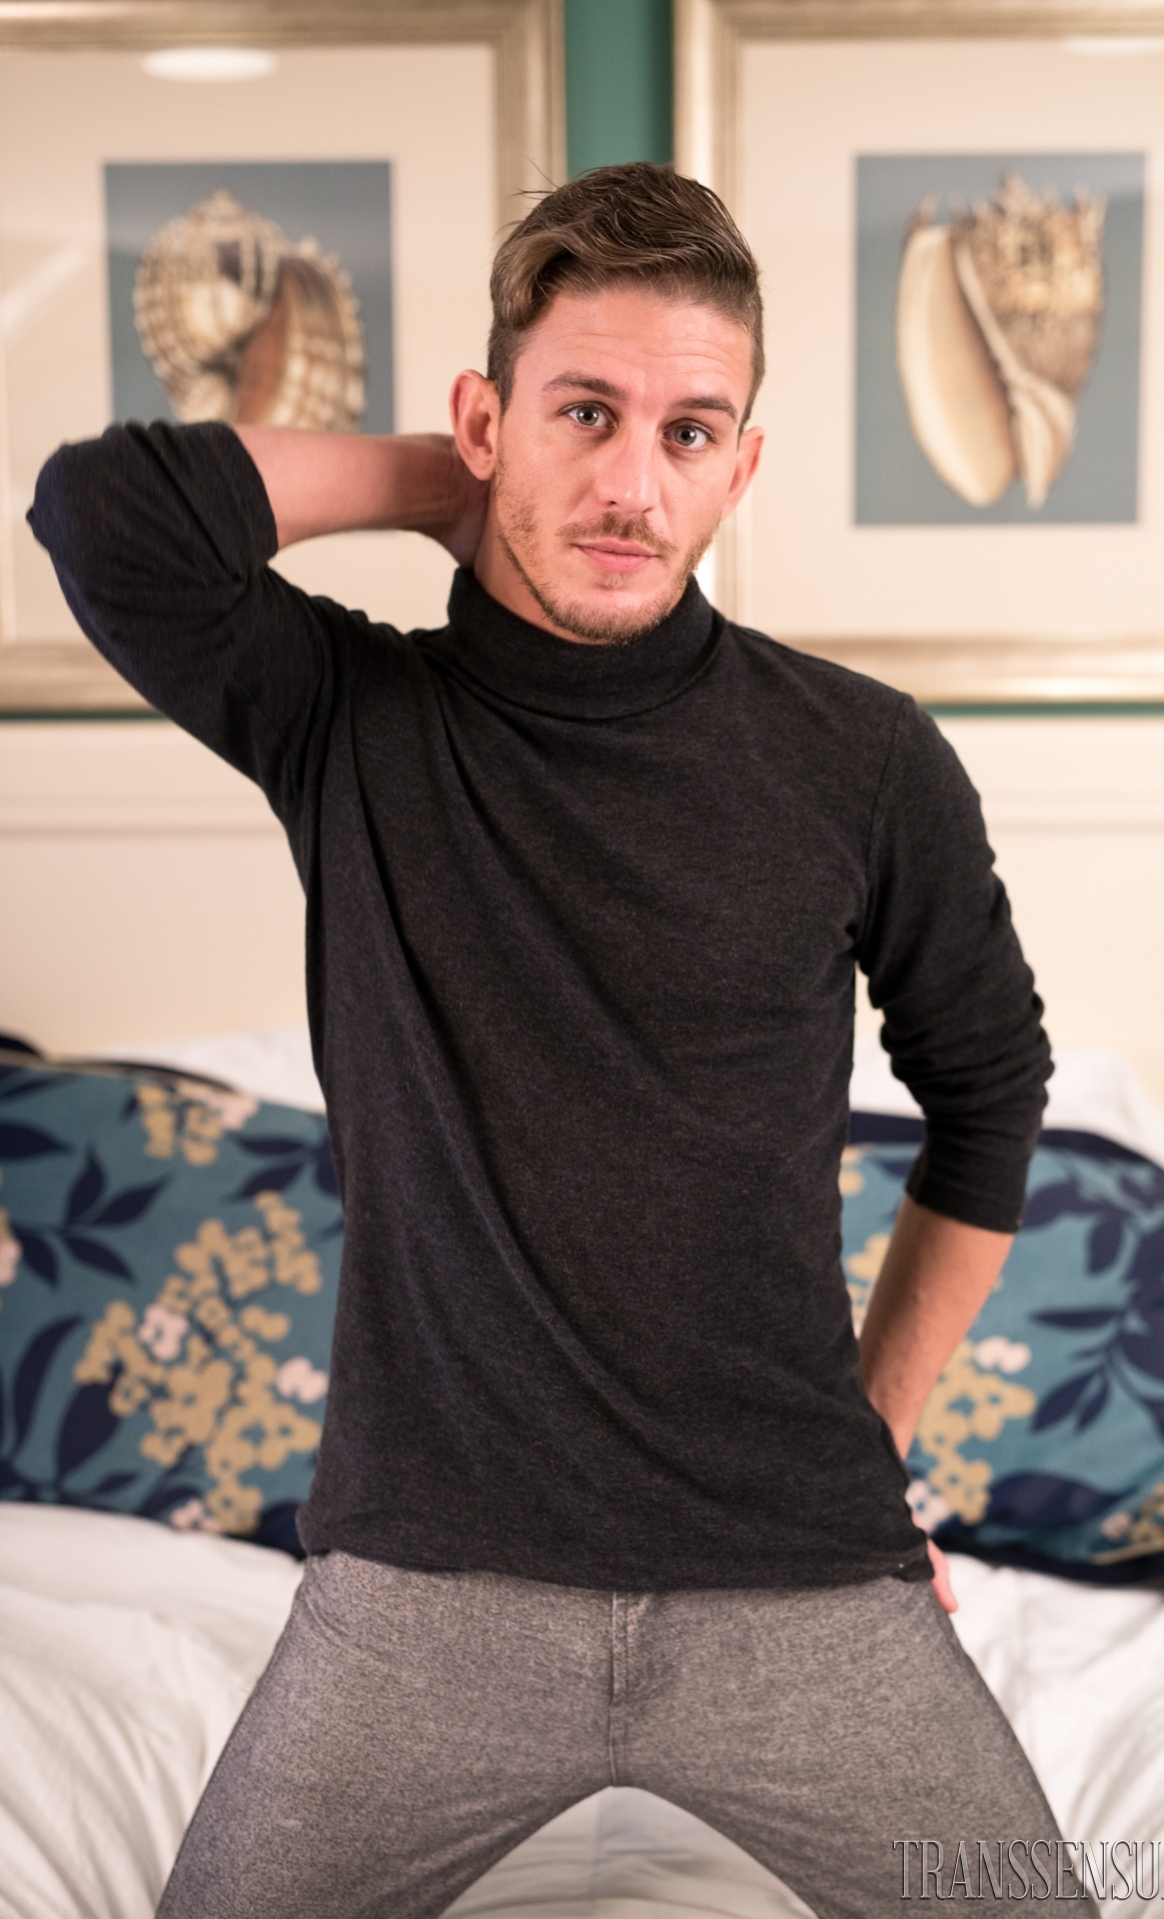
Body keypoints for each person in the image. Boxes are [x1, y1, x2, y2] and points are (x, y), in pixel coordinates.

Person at [31, 163, 1084, 1919]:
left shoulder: (864, 759)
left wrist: (875, 1435)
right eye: (582, 413)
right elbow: (104, 513)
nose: (631, 484)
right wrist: (446, 491)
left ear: (742, 467)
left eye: (689, 433)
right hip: (425, 1590)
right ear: (486, 421)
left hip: (798, 1578)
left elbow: (993, 1088)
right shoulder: (349, 718)